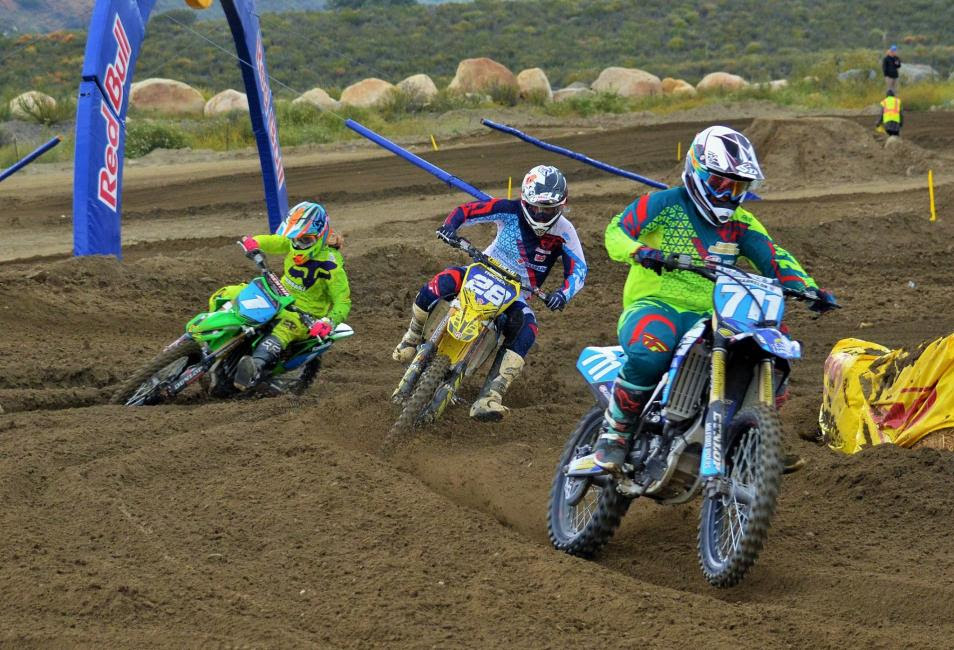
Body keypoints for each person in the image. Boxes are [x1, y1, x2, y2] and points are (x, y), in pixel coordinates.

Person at [593, 126, 837, 474]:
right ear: (696, 169)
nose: (726, 193)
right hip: (656, 303)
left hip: (715, 312)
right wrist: (640, 251)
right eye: (719, 182)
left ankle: (756, 438)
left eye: (736, 187)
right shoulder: (664, 203)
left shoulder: (741, 223)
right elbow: (616, 230)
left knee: (770, 350)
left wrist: (809, 288)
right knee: (651, 352)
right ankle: (615, 432)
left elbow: (774, 257)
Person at [392, 165, 587, 421]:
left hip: (517, 291)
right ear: (525, 201)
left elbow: (579, 268)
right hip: (482, 269)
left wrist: (562, 294)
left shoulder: (565, 231)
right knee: (440, 283)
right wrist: (450, 227)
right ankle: (411, 338)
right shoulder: (509, 209)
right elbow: (467, 210)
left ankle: (490, 396)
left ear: (562, 205)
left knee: (528, 328)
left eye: (549, 209)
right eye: (537, 208)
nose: (541, 215)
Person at [208, 201, 351, 390]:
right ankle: (211, 339)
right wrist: (255, 242)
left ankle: (253, 368)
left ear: (320, 235)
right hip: (277, 295)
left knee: (282, 331)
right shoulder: (294, 243)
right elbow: (276, 241)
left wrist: (328, 322)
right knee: (229, 293)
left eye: (305, 240)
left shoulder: (332, 266)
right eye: (295, 239)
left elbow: (343, 301)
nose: (298, 244)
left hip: (303, 315)